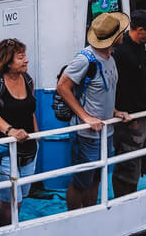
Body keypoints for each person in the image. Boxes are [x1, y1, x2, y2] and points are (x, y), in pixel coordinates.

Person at [57, 11, 129, 210]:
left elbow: (101, 91)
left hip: (105, 130)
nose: (125, 34)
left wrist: (114, 111)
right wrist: (86, 117)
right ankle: (75, 218)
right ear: (114, 38)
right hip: (87, 134)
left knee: (97, 176)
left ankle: (91, 213)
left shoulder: (110, 58)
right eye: (122, 32)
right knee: (82, 180)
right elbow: (63, 86)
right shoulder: (85, 60)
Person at [0, 38, 38, 226]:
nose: (26, 60)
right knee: (12, 199)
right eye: (21, 57)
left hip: (28, 149)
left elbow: (30, 111)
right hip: (4, 149)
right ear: (7, 61)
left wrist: (37, 138)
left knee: (22, 195)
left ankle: (12, 227)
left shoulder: (28, 80)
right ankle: (7, 230)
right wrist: (10, 130)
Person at [111, 10, 146, 197]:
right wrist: (122, 114)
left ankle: (130, 198)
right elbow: (116, 86)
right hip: (129, 119)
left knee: (140, 162)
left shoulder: (140, 47)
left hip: (143, 114)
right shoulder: (121, 52)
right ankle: (122, 201)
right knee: (127, 167)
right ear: (140, 30)